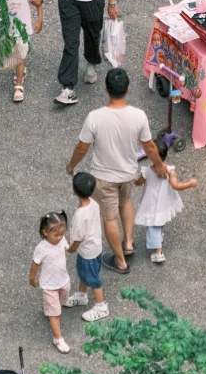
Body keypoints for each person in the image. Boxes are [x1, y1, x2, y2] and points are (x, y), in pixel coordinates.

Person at [65, 66, 168, 272]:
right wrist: (159, 165)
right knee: (126, 201)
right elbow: (149, 146)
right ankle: (128, 243)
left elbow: (82, 147)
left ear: (106, 88)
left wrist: (71, 165)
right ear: (128, 89)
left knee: (109, 217)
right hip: (128, 173)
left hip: (103, 178)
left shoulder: (95, 117)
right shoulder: (139, 116)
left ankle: (120, 261)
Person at [133, 153, 197, 263]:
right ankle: (158, 239)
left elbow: (138, 182)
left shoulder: (147, 172)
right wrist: (189, 184)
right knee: (159, 221)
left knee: (152, 226)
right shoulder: (170, 171)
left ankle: (158, 253)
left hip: (150, 202)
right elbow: (176, 186)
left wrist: (133, 180)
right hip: (163, 202)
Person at [30, 212, 76, 353]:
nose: (59, 237)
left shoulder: (61, 240)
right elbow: (35, 264)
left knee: (63, 300)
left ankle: (49, 308)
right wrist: (32, 278)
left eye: (62, 234)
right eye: (56, 235)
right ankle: (58, 338)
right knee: (55, 313)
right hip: (49, 285)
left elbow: (69, 248)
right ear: (45, 233)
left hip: (63, 280)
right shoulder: (41, 248)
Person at [68, 171, 110, 321]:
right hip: (94, 248)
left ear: (74, 190)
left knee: (92, 278)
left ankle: (101, 306)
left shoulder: (80, 215)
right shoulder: (93, 204)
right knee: (83, 273)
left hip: (87, 252)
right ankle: (81, 294)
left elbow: (78, 238)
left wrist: (70, 248)